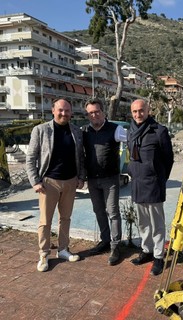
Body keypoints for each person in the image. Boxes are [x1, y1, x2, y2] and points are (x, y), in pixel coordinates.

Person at [26, 97, 85, 272]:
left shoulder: (76, 131)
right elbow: (30, 158)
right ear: (53, 110)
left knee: (65, 218)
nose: (64, 113)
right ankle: (44, 254)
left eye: (67, 110)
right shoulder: (41, 130)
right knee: (45, 221)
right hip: (48, 183)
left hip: (70, 181)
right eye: (60, 110)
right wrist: (35, 181)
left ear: (71, 113)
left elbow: (81, 157)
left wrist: (81, 177)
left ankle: (63, 250)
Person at [128, 99, 174, 276]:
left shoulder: (159, 131)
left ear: (148, 111)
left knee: (157, 224)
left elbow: (168, 159)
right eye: (134, 112)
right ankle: (146, 251)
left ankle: (158, 256)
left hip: (153, 184)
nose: (138, 115)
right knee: (143, 222)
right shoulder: (131, 131)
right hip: (137, 183)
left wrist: (160, 178)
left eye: (141, 111)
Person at [82, 98, 127, 266]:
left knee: (113, 212)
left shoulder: (116, 129)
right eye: (91, 113)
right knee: (99, 211)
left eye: (97, 111)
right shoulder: (84, 131)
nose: (94, 115)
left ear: (103, 112)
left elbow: (133, 142)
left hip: (111, 179)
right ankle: (105, 241)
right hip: (92, 180)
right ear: (87, 115)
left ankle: (116, 246)